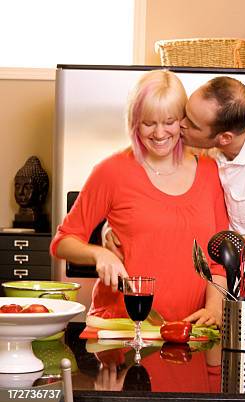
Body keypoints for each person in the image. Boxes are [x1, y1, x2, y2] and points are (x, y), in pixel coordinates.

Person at [106, 76, 245, 320]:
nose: (180, 124)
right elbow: (148, 183)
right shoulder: (207, 145)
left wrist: (238, 303)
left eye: (190, 123)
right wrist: (115, 225)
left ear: (223, 137)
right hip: (216, 292)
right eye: (185, 113)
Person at [51, 70, 228, 325]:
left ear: (183, 120)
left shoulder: (210, 172)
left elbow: (218, 260)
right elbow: (63, 242)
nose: (159, 133)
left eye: (169, 121)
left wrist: (214, 308)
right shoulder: (111, 171)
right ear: (134, 121)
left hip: (190, 330)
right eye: (148, 123)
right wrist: (100, 254)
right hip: (122, 329)